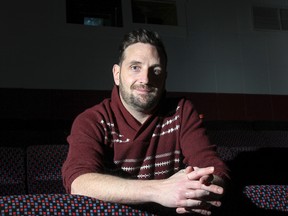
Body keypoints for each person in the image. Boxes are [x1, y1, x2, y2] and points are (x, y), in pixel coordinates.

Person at [62, 28, 230, 215]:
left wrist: (199, 189)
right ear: (117, 74)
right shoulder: (93, 120)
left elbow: (215, 170)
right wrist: (160, 190)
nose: (146, 79)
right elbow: (80, 183)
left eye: (155, 70)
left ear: (164, 77)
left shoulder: (181, 112)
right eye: (135, 67)